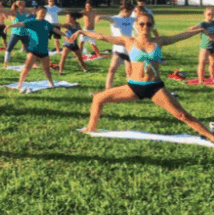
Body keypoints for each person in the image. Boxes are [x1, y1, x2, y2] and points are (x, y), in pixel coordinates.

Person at [73, 13, 214, 142]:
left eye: (148, 24)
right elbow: (102, 37)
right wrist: (81, 32)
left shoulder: (159, 41)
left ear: (152, 26)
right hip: (133, 87)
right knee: (98, 98)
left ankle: (210, 136)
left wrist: (200, 30)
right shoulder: (128, 41)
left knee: (182, 115)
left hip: (155, 87)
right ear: (136, 25)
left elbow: (181, 35)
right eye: (142, 24)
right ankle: (90, 128)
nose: (145, 27)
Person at [5, 6, 63, 92]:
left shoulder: (46, 23)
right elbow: (21, 24)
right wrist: (10, 26)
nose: (43, 14)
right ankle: (19, 84)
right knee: (27, 67)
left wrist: (65, 35)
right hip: (33, 49)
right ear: (37, 12)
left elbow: (55, 29)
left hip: (44, 50)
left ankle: (51, 83)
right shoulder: (32, 21)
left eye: (44, 12)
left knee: (46, 68)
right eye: (41, 12)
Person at [97, 3, 135, 89]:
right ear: (125, 10)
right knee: (112, 70)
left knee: (129, 72)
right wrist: (100, 17)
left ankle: (131, 89)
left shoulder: (131, 19)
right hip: (118, 50)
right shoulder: (116, 18)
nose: (131, 13)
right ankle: (108, 89)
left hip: (130, 50)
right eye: (130, 12)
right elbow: (108, 18)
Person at [0, 0, 36, 68]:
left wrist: (34, 12)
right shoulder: (14, 12)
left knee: (29, 50)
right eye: (22, 5)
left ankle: (34, 64)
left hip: (25, 33)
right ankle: (5, 64)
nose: (24, 7)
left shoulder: (26, 11)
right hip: (16, 33)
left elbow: (34, 15)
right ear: (19, 6)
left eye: (24, 5)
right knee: (9, 49)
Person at [190, 7, 214, 85]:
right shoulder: (203, 24)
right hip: (205, 46)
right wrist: (201, 29)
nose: (211, 16)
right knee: (202, 62)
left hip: (213, 46)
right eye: (209, 14)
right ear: (204, 15)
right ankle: (200, 81)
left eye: (212, 14)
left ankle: (212, 79)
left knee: (212, 64)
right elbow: (194, 29)